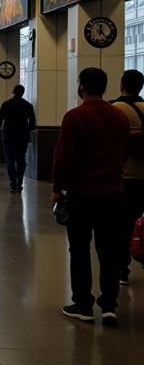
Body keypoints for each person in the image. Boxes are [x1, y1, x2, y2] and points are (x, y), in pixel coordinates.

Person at [52, 67, 128, 327]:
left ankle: (83, 304)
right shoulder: (118, 116)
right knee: (109, 251)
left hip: (81, 194)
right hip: (113, 193)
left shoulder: (75, 116)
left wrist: (57, 188)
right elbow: (124, 151)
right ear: (105, 87)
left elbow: (63, 158)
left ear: (81, 85)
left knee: (80, 249)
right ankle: (109, 306)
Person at [110, 69, 144, 285]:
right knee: (138, 220)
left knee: (120, 224)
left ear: (122, 84)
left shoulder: (115, 109)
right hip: (143, 177)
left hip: (122, 177)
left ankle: (122, 267)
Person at [0, 84, 36, 192]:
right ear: (23, 93)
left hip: (8, 135)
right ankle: (20, 182)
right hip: (23, 135)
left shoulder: (6, 104)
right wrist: (26, 129)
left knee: (10, 160)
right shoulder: (28, 105)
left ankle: (12, 183)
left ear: (13, 92)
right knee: (21, 159)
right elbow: (32, 123)